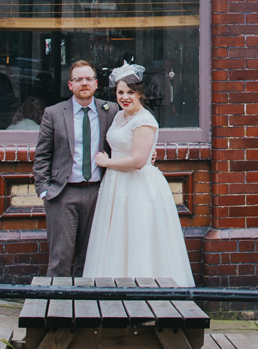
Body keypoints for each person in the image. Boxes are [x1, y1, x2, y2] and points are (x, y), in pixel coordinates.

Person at [81, 63, 194, 286]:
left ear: (140, 94)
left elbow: (138, 161)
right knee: (117, 239)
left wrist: (107, 162)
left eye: (130, 92)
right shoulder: (119, 116)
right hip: (115, 185)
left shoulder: (145, 120)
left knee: (138, 237)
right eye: (120, 92)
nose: (125, 97)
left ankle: (143, 292)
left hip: (138, 187)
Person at [34, 60, 116, 276]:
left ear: (96, 83)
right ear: (70, 85)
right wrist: (44, 190)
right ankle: (56, 306)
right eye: (78, 79)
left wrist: (148, 153)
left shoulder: (111, 110)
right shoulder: (53, 113)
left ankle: (85, 306)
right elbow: (42, 155)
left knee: (90, 257)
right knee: (60, 257)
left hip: (98, 192)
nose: (84, 83)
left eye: (88, 78)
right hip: (63, 193)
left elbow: (127, 139)